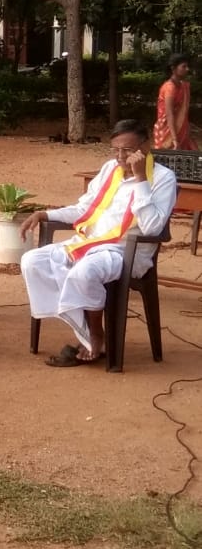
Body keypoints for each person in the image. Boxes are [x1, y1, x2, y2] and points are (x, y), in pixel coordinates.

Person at [20, 118, 177, 366]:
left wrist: (140, 181)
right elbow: (84, 208)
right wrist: (45, 214)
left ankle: (95, 335)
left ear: (145, 146)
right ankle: (83, 332)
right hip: (90, 243)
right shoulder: (109, 170)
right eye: (115, 150)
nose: (120, 157)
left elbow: (152, 227)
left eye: (127, 150)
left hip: (127, 250)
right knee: (32, 260)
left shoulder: (163, 178)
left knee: (84, 273)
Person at [152, 54, 195, 151]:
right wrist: (175, 139)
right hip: (167, 130)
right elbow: (169, 114)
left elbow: (183, 111)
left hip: (181, 129)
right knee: (168, 160)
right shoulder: (169, 87)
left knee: (192, 157)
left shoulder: (184, 86)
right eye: (184, 66)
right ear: (173, 68)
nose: (187, 69)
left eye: (187, 66)